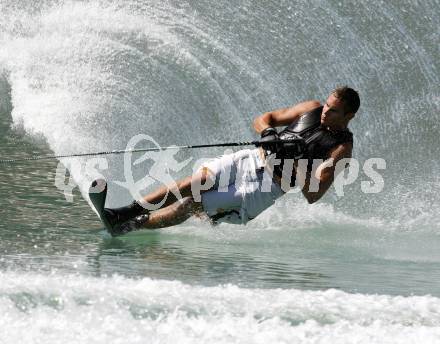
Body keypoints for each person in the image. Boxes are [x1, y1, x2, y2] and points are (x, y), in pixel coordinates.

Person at [103, 86, 360, 235]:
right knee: (196, 182)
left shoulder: (342, 148)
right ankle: (124, 212)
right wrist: (268, 133)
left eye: (333, 110)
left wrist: (298, 163)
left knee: (192, 204)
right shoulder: (311, 108)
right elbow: (265, 118)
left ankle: (135, 226)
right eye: (327, 105)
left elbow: (314, 194)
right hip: (251, 160)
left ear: (349, 115)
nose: (326, 111)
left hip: (264, 188)